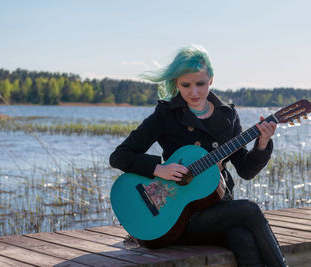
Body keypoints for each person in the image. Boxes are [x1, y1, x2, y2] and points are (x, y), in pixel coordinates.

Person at [109, 45, 287, 267]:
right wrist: (159, 169)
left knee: (242, 238)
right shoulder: (166, 115)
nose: (194, 92)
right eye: (186, 85)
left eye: (200, 84)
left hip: (216, 208)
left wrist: (262, 144)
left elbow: (246, 170)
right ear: (176, 83)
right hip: (177, 218)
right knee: (249, 209)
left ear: (210, 80)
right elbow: (119, 156)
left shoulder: (227, 115)